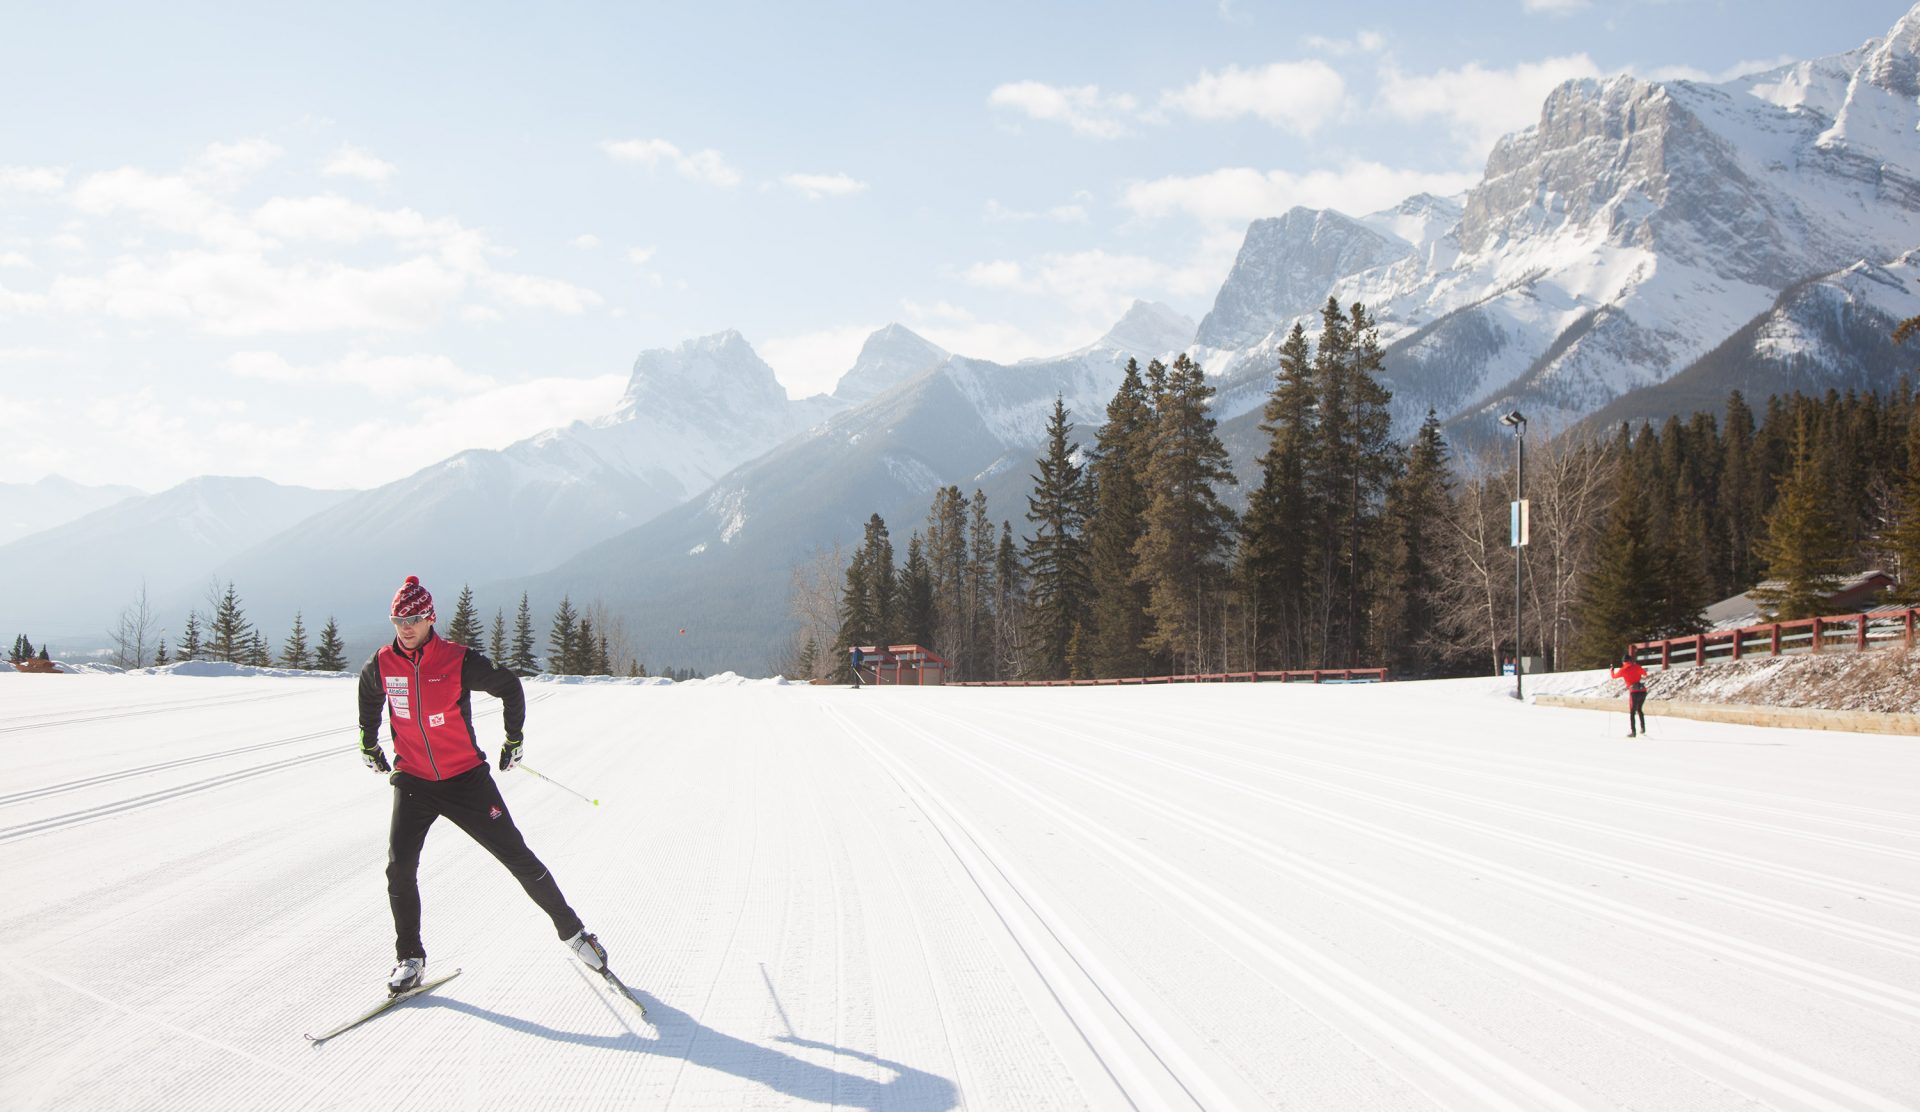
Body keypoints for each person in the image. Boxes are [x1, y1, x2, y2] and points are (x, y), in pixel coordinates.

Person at [357, 575, 610, 994]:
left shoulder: (456, 660)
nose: (406, 627)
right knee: (399, 867)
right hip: (414, 780)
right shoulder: (383, 664)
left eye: (415, 618)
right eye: (398, 619)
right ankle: (410, 958)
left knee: (517, 857)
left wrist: (513, 740)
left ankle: (575, 933)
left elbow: (510, 686)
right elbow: (368, 696)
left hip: (465, 781)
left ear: (430, 617)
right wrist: (368, 742)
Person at [1611, 653, 1649, 737]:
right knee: (1639, 709)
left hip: (1633, 692)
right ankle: (1643, 728)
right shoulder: (1637, 666)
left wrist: (1612, 670)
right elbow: (1645, 674)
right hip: (1643, 691)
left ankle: (1633, 732)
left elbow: (1613, 676)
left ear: (1623, 661)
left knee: (1632, 712)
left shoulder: (1623, 669)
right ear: (1631, 660)